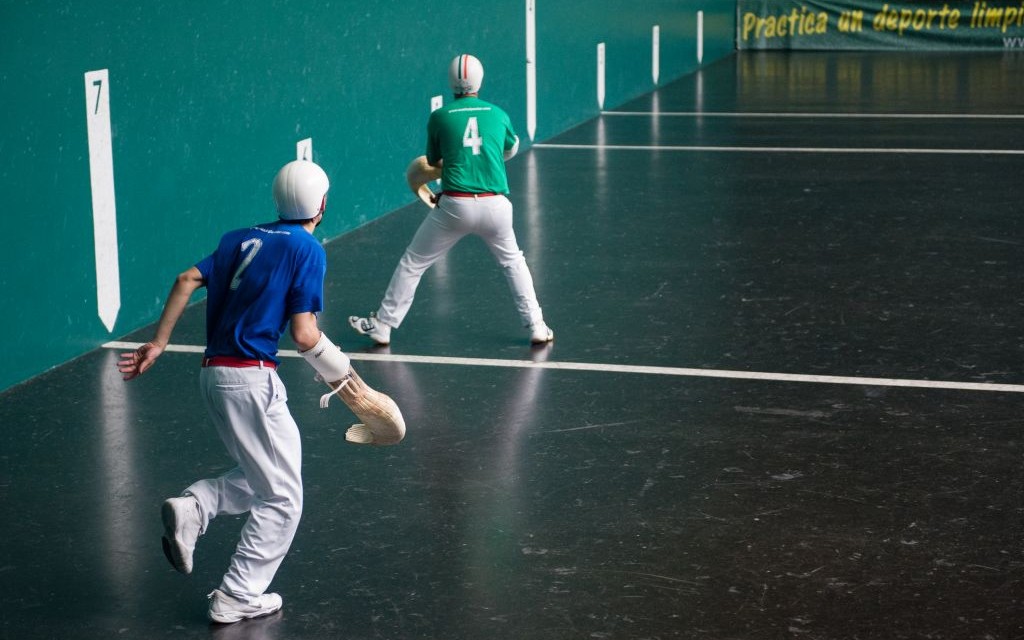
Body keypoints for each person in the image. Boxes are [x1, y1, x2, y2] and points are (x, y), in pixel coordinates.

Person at [118, 160, 355, 624]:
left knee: (271, 473)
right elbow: (305, 335)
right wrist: (341, 371)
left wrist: (160, 342)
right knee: (284, 500)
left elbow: (186, 279)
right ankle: (237, 595)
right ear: (322, 205)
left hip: (214, 374)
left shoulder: (238, 237)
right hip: (251, 380)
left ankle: (195, 507)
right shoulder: (307, 248)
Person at [349, 53, 553, 346]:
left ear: (451, 82)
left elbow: (432, 162)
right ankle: (537, 326)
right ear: (480, 80)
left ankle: (383, 325)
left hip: (455, 206)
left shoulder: (440, 117)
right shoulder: (498, 114)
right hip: (495, 205)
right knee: (514, 263)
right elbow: (511, 147)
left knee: (413, 263)